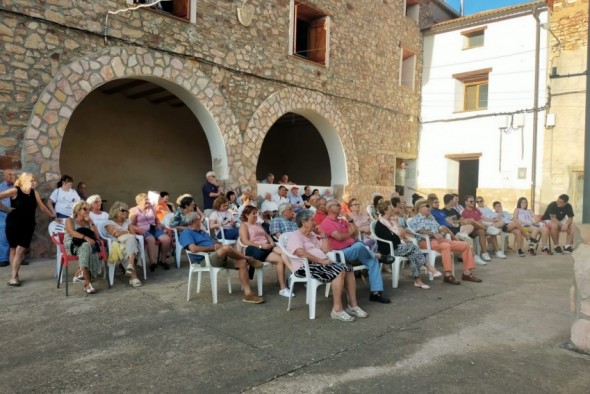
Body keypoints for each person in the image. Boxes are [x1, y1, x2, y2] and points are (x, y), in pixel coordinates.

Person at [287, 209, 368, 322]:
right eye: (312, 220)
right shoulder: (295, 235)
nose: (315, 222)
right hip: (305, 267)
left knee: (348, 268)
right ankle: (337, 309)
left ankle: (353, 305)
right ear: (303, 222)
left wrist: (323, 235)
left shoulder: (312, 235)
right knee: (339, 270)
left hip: (320, 264)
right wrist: (321, 261)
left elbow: (327, 249)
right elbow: (300, 252)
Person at [179, 211, 264, 304]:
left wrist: (217, 245)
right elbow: (193, 249)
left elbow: (214, 243)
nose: (201, 221)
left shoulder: (201, 232)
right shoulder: (186, 233)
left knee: (242, 262)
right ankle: (249, 259)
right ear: (194, 221)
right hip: (205, 259)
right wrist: (212, 247)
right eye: (199, 219)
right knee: (227, 248)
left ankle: (248, 294)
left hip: (217, 256)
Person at [320, 199, 390, 304]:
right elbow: (339, 237)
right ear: (329, 208)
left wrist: (350, 220)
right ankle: (377, 256)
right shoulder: (326, 223)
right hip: (339, 253)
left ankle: (376, 293)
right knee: (360, 245)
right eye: (337, 205)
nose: (340, 206)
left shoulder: (343, 220)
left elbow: (356, 233)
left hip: (354, 249)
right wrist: (349, 233)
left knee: (372, 261)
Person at [408, 200, 482, 285]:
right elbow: (420, 230)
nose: (430, 208)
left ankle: (467, 273)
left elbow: (439, 227)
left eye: (429, 206)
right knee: (445, 246)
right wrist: (433, 233)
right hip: (426, 242)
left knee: (465, 245)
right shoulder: (415, 219)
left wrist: (442, 229)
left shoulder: (431, 218)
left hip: (440, 240)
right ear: (420, 208)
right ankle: (448, 275)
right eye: (427, 206)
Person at [0, 173, 53, 286]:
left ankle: (14, 276)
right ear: (24, 180)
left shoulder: (35, 193)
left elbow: (42, 207)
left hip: (28, 225)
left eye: (35, 180)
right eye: (32, 180)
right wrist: (5, 208)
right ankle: (14, 276)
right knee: (13, 249)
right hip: (13, 224)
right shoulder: (15, 191)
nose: (34, 182)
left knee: (20, 250)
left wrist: (52, 216)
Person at [375, 200, 441, 289]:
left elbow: (402, 233)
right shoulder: (380, 224)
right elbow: (390, 238)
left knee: (413, 254)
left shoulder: (393, 221)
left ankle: (418, 281)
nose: (392, 209)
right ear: (385, 210)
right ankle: (428, 267)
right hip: (391, 249)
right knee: (413, 247)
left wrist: (397, 225)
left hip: (401, 246)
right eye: (390, 207)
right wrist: (400, 238)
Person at [239, 206, 293, 297]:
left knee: (284, 253)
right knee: (280, 259)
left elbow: (267, 236)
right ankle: (284, 287)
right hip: (256, 249)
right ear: (247, 215)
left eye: (256, 213)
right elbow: (245, 241)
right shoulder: (244, 225)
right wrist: (261, 246)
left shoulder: (258, 224)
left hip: (267, 247)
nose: (256, 215)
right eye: (253, 214)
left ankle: (292, 275)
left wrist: (271, 243)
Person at [65, 200, 101, 294]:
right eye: (85, 209)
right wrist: (86, 238)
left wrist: (91, 222)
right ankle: (86, 281)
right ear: (78, 210)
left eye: (89, 209)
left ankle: (84, 277)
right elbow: (71, 232)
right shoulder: (70, 220)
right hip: (72, 245)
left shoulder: (87, 222)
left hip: (85, 246)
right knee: (87, 245)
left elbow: (96, 236)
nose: (87, 211)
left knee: (86, 246)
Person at [129, 192, 172, 272]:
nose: (148, 201)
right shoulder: (134, 210)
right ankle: (152, 262)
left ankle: (163, 261)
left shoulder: (151, 208)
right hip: (143, 230)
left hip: (154, 228)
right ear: (139, 201)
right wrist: (138, 229)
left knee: (166, 239)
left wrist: (158, 224)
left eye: (148, 199)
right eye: (146, 200)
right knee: (151, 239)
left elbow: (156, 219)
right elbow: (130, 225)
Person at [104, 201, 142, 287]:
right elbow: (116, 234)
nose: (125, 212)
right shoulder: (109, 222)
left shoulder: (127, 222)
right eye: (122, 210)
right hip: (116, 244)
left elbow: (133, 234)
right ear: (115, 210)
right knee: (129, 243)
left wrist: (123, 232)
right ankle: (133, 274)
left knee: (130, 241)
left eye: (126, 211)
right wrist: (127, 231)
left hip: (128, 243)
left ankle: (131, 268)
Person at [461, 195, 505, 261]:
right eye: (471, 201)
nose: (473, 202)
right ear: (466, 202)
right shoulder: (464, 212)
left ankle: (497, 251)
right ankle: (484, 253)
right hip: (473, 230)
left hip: (481, 226)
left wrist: (492, 220)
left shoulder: (476, 209)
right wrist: (485, 226)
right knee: (482, 231)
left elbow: (483, 218)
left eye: (473, 201)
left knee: (492, 232)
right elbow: (470, 224)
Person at [0, 169, 16, 267]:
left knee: (18, 234)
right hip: (3, 214)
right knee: (3, 235)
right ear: (4, 176)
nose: (12, 176)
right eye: (9, 174)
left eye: (13, 174)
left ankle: (19, 257)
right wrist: (6, 209)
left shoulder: (18, 187)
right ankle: (4, 259)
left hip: (16, 214)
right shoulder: (0, 187)